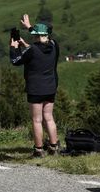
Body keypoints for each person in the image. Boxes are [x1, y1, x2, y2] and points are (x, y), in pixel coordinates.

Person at [11, 15, 60, 157]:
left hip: (35, 89)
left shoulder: (31, 50)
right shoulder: (54, 45)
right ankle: (54, 147)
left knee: (37, 120)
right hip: (51, 87)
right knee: (49, 118)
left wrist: (14, 47)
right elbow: (40, 47)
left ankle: (38, 150)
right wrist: (29, 28)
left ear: (35, 36)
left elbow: (16, 60)